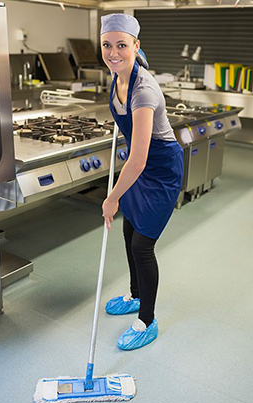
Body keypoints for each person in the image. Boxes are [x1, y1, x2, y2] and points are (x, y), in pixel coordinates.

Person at [101, 13, 184, 351]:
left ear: (136, 45)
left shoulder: (144, 89)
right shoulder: (117, 74)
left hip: (161, 169)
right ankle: (136, 295)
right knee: (128, 229)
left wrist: (112, 196)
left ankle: (146, 320)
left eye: (122, 45)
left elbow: (137, 160)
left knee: (142, 245)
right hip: (143, 166)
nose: (113, 52)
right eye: (107, 45)